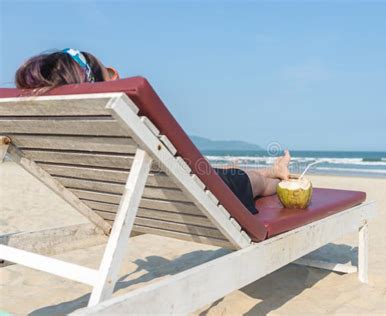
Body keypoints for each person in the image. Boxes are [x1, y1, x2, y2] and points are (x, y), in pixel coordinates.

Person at [14, 49, 291, 214]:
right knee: (249, 180)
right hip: (187, 199)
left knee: (219, 170)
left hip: (144, 198)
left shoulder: (69, 138)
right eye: (108, 73)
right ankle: (277, 178)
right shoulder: (126, 118)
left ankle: (267, 170)